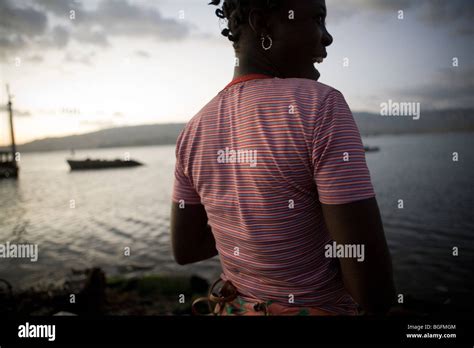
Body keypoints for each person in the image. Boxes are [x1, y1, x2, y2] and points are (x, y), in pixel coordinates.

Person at [171, 0, 395, 315]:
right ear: (262, 23)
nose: (327, 37)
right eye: (318, 18)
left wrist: (254, 234)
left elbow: (187, 249)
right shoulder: (321, 105)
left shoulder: (193, 130)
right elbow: (374, 293)